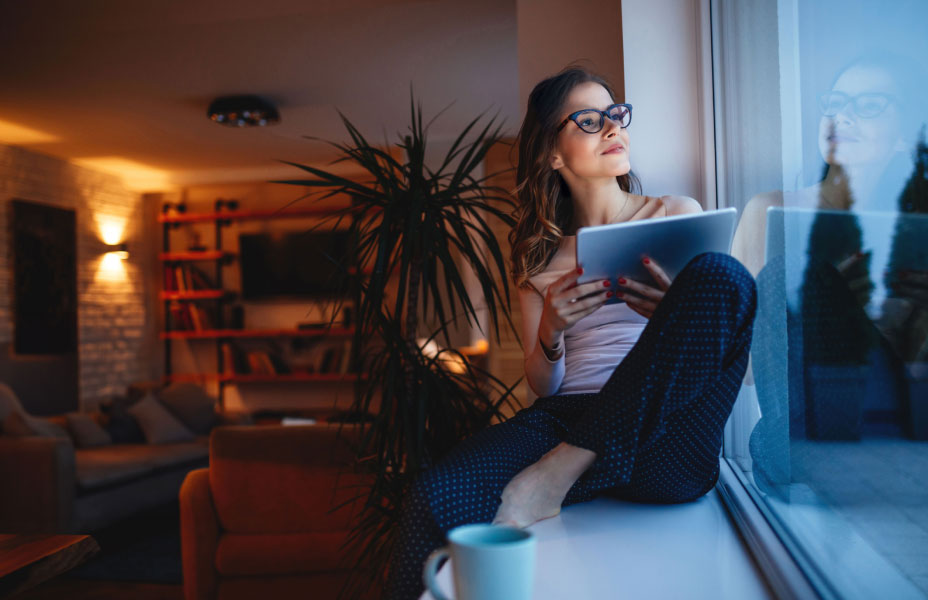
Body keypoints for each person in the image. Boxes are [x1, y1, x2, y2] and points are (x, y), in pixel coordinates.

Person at [385, 66, 757, 599]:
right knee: (434, 497)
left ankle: (561, 469)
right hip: (568, 414)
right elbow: (544, 386)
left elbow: (729, 348)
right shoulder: (540, 259)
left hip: (667, 436)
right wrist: (553, 332)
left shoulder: (677, 212)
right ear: (552, 154)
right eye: (589, 120)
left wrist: (674, 319)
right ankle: (571, 460)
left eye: (615, 115)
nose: (612, 128)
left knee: (723, 278)